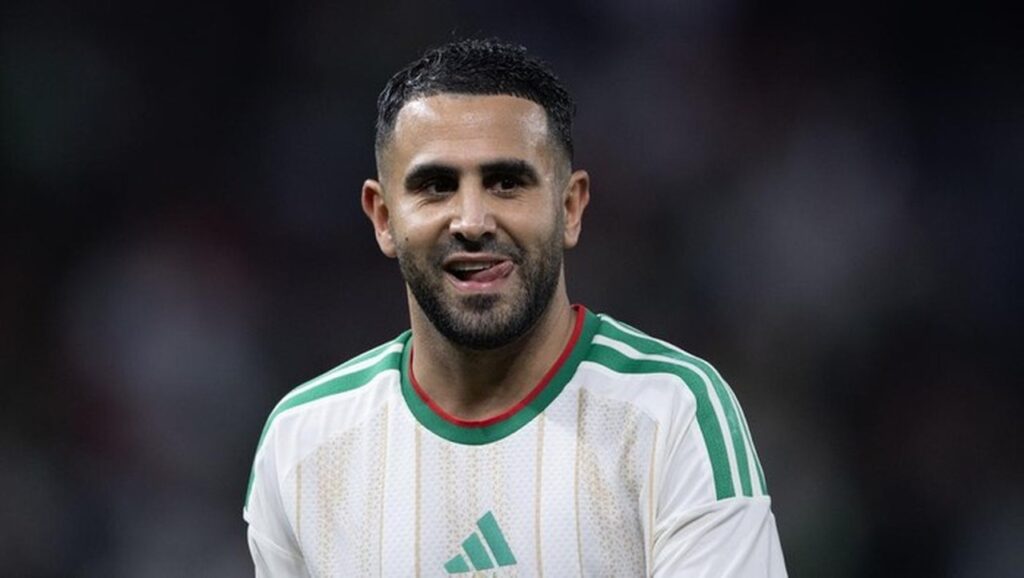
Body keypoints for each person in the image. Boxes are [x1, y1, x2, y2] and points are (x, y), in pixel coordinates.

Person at [244, 38, 787, 577]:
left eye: (507, 183)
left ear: (570, 207)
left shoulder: (674, 414)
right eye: (437, 186)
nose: (472, 221)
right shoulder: (302, 444)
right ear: (383, 217)